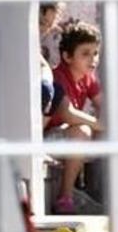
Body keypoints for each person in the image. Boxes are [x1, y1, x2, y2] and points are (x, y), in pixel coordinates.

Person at [44, 20, 103, 214]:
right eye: (85, 54)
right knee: (83, 130)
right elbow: (67, 114)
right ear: (67, 56)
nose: (92, 59)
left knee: (106, 132)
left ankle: (107, 194)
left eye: (95, 53)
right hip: (45, 141)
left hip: (65, 138)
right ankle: (65, 197)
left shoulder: (88, 78)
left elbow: (104, 104)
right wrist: (98, 123)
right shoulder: (59, 76)